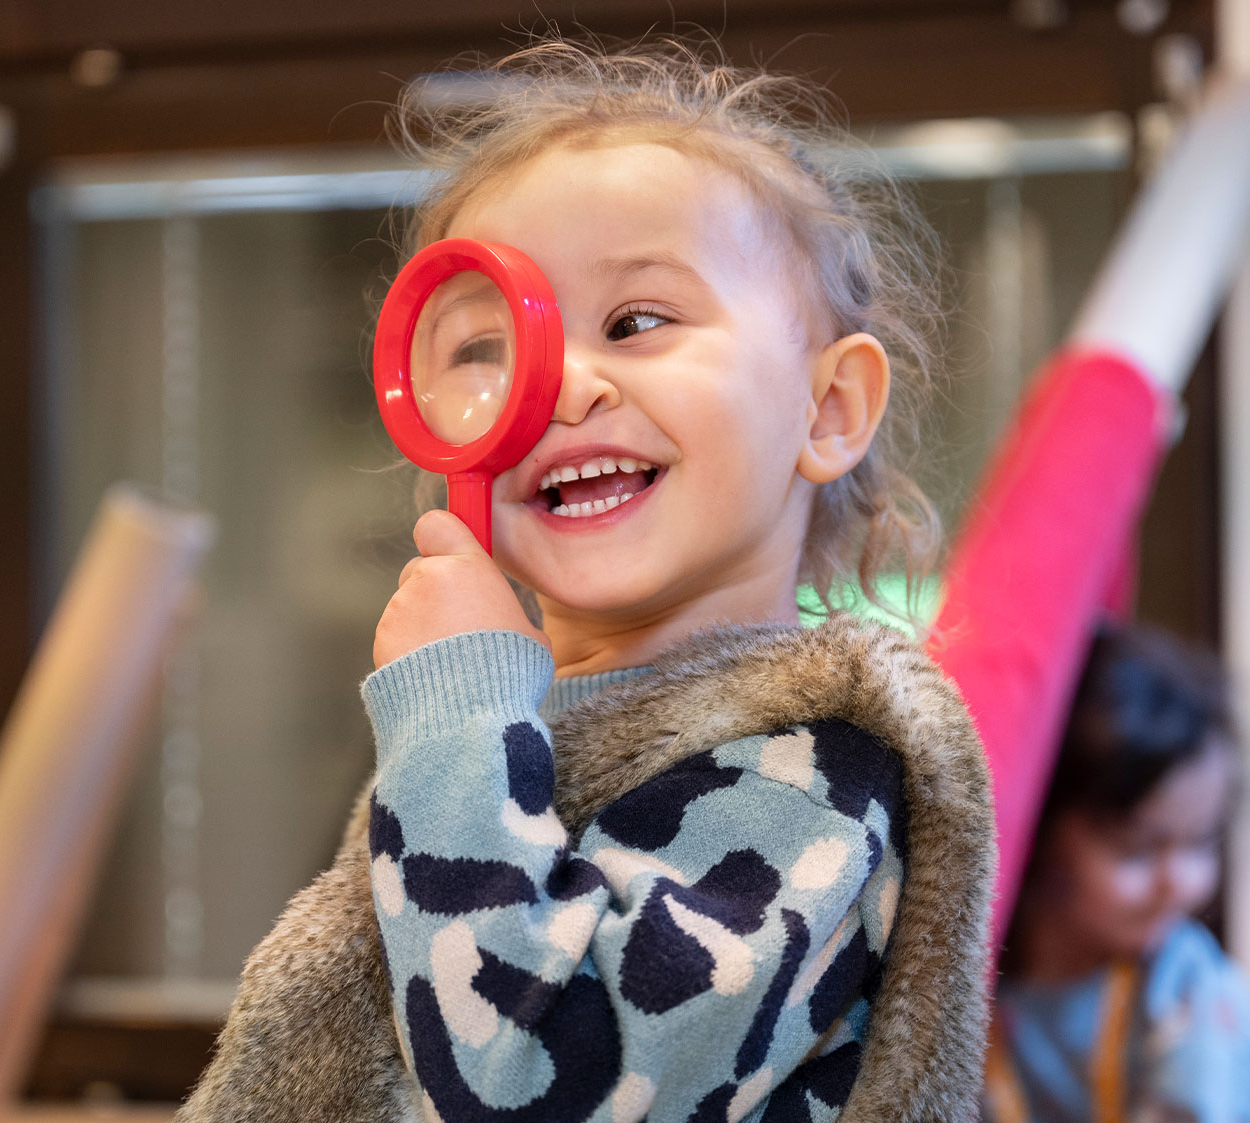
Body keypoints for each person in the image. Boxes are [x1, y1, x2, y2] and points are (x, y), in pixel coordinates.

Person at [178, 40, 996, 1123]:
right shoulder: (517, 740)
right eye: (488, 347)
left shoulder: (808, 786)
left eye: (636, 322)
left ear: (828, 407)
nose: (559, 387)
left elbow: (530, 1084)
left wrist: (460, 712)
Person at [986, 622, 1250, 1123]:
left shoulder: (1187, 991)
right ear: (1038, 829)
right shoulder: (979, 987)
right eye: (1138, 849)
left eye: (1201, 843)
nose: (1181, 881)